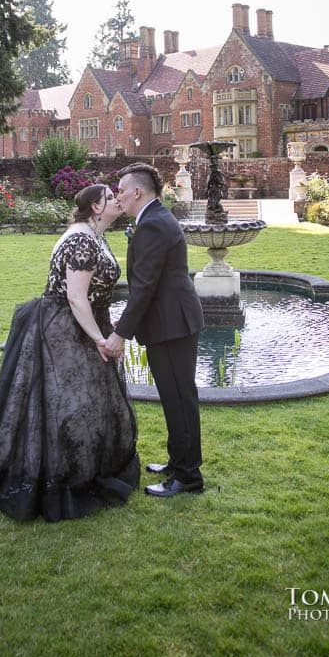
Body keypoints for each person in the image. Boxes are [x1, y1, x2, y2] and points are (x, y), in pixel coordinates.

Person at [0, 184, 140, 522]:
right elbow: (75, 297)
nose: (117, 199)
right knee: (63, 402)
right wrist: (99, 339)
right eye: (110, 197)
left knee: (85, 400)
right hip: (65, 328)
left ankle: (85, 467)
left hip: (83, 322)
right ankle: (56, 478)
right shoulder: (81, 240)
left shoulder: (95, 235)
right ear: (96, 207)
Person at [103, 163, 205, 497]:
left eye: (121, 190)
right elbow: (147, 284)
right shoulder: (153, 219)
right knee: (176, 397)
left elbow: (144, 286)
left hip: (172, 324)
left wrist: (120, 333)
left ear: (137, 192)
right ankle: (178, 462)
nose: (118, 196)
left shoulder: (153, 224)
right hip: (170, 321)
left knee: (179, 400)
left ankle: (188, 476)